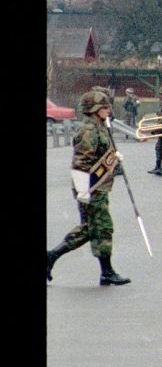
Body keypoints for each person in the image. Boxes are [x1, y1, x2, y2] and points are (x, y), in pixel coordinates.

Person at [47, 88, 131, 287]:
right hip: (92, 188)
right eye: (104, 107)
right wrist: (84, 191)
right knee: (102, 228)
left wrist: (113, 163)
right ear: (94, 110)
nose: (108, 110)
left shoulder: (100, 126)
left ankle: (53, 257)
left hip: (98, 187)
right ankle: (106, 272)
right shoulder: (88, 130)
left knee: (91, 229)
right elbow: (82, 163)